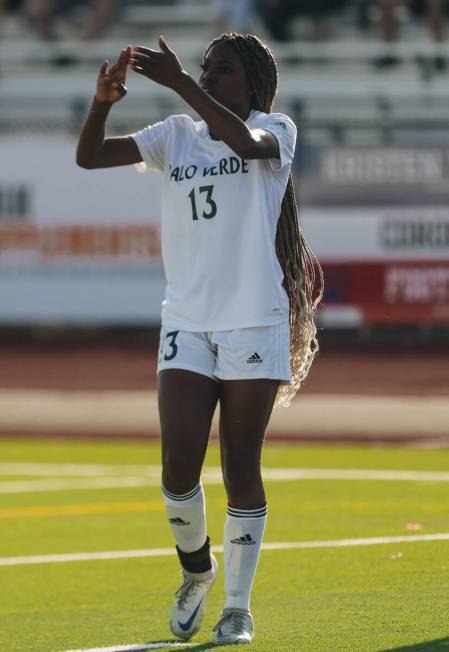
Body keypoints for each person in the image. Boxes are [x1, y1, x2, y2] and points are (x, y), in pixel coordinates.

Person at [76, 32, 323, 645]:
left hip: (253, 320)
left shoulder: (276, 127)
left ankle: (237, 608)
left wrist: (181, 81)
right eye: (207, 70)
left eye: (223, 71)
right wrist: (103, 101)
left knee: (241, 465)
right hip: (186, 319)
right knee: (177, 465)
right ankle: (197, 570)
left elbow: (243, 141)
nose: (210, 78)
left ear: (255, 84)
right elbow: (89, 157)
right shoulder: (174, 135)